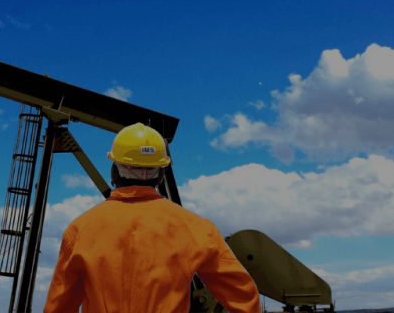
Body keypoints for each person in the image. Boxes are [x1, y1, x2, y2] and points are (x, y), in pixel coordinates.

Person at [44, 123, 261, 313]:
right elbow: (244, 297)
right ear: (160, 174)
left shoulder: (80, 230)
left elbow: (59, 306)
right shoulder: (197, 228)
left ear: (114, 172)